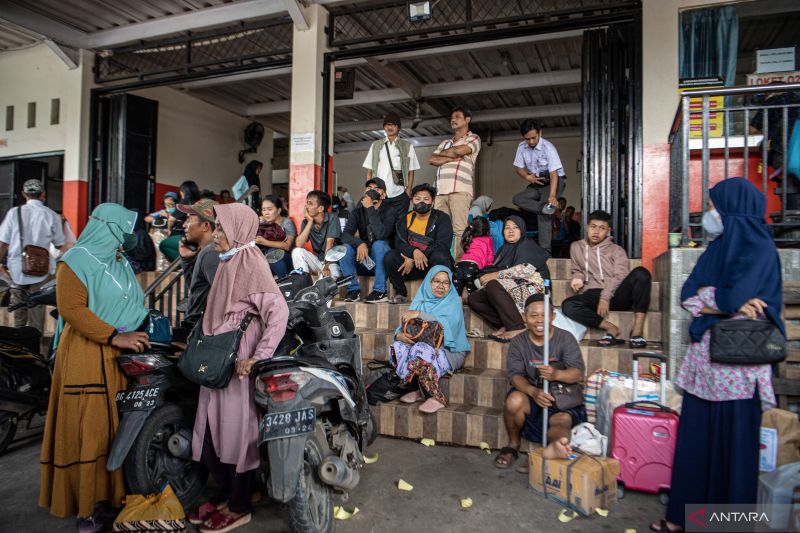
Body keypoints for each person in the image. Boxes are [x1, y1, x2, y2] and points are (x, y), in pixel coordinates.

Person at [650, 178, 783, 533]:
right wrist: (724, 304)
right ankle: (684, 519)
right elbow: (688, 294)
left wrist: (716, 302)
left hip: (740, 370)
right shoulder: (717, 249)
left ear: (732, 210)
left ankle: (728, 526)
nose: (710, 213)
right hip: (704, 366)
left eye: (713, 206)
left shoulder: (760, 249)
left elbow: (726, 297)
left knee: (735, 452)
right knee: (696, 445)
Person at [39, 204, 151, 532]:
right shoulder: (75, 261)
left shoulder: (116, 260)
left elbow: (131, 300)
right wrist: (115, 336)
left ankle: (109, 498)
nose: (127, 238)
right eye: (123, 230)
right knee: (87, 429)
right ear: (109, 227)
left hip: (118, 359)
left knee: (110, 432)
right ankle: (84, 507)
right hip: (86, 357)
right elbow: (71, 309)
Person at [190, 203, 289, 533]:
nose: (216, 234)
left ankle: (240, 504)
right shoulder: (228, 263)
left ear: (237, 231)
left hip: (239, 357)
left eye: (220, 228)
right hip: (220, 358)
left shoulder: (251, 263)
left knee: (236, 430)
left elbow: (279, 313)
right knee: (211, 427)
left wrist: (258, 357)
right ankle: (231, 493)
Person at [494, 294, 586, 469]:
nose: (539, 320)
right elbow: (515, 375)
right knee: (514, 401)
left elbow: (577, 373)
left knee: (561, 422)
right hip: (533, 395)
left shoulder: (565, 338)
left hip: (561, 398)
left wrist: (556, 374)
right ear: (524, 317)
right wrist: (533, 392)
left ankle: (551, 450)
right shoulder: (518, 342)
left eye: (544, 315)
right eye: (533, 315)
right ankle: (513, 446)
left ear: (552, 316)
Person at [561, 210, 652, 348]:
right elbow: (577, 269)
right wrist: (577, 278)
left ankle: (637, 331)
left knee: (642, 273)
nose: (596, 232)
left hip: (618, 294)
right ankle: (611, 328)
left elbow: (621, 275)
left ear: (608, 231)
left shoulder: (617, 250)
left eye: (602, 228)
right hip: (592, 294)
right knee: (568, 305)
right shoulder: (576, 247)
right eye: (593, 227)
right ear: (587, 227)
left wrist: (605, 297)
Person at [391, 266, 470, 414]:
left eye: (446, 283)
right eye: (436, 281)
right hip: (423, 346)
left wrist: (420, 314)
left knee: (422, 349)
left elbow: (447, 327)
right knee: (399, 346)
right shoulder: (421, 300)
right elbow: (403, 326)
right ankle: (416, 388)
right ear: (429, 282)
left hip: (449, 350)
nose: (441, 286)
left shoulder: (453, 301)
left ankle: (435, 396)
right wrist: (399, 336)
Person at [468, 216, 550, 342]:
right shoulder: (503, 249)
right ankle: (507, 323)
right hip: (511, 287)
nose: (511, 231)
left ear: (522, 230)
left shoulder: (527, 245)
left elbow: (525, 270)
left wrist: (495, 275)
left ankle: (517, 327)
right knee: (474, 298)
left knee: (493, 285)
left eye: (515, 227)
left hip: (533, 288)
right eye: (507, 228)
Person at [0, 179, 65, 332]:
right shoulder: (51, 215)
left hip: (17, 267)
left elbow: (3, 242)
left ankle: (19, 339)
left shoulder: (13, 213)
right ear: (43, 194)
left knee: (18, 305)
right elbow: (59, 243)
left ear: (24, 194)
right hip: (41, 267)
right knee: (37, 303)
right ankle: (35, 340)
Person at [385, 183, 453, 304]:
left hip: (431, 264)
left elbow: (443, 244)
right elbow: (399, 243)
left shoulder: (442, 218)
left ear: (432, 202)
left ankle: (435, 295)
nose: (421, 202)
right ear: (412, 201)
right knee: (390, 257)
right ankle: (400, 292)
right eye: (417, 198)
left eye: (426, 199)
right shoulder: (404, 219)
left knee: (441, 255)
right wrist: (413, 253)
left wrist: (419, 255)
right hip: (409, 267)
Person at [429, 107, 481, 258]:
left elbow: (461, 150)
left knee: (459, 230)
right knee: (440, 229)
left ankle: (458, 265)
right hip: (440, 192)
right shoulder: (445, 142)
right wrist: (452, 156)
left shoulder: (474, 138)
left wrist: (445, 156)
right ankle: (442, 262)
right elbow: (432, 159)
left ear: (467, 120)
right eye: (452, 117)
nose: (453, 119)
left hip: (460, 190)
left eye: (457, 116)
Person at [511, 119, 567, 254]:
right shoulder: (521, 147)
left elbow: (554, 174)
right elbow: (518, 168)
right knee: (518, 199)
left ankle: (545, 253)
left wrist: (552, 196)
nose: (530, 142)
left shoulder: (548, 148)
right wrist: (527, 177)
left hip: (554, 180)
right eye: (527, 139)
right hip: (536, 181)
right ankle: (544, 208)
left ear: (540, 133)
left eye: (533, 138)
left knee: (544, 215)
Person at [340, 178, 395, 303]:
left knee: (379, 244)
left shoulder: (390, 212)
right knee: (345, 248)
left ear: (384, 195)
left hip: (382, 262)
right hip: (364, 259)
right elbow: (345, 235)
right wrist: (360, 243)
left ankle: (380, 291)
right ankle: (353, 290)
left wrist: (370, 208)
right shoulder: (357, 212)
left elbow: (381, 234)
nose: (372, 191)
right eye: (369, 188)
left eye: (377, 188)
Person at [174, 198, 220, 341]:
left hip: (199, 331)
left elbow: (222, 296)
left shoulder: (211, 253)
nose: (184, 225)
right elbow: (198, 289)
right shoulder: (206, 252)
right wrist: (187, 260)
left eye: (189, 219)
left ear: (205, 225)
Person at [363, 113, 421, 223]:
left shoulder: (407, 146)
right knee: (381, 223)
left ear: (398, 127)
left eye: (393, 125)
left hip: (399, 194)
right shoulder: (376, 145)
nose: (390, 127)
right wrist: (371, 191)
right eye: (387, 125)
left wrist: (408, 191)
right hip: (380, 194)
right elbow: (369, 170)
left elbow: (411, 171)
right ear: (384, 127)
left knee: (400, 225)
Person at [292, 190, 342, 279]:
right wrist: (310, 222)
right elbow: (299, 244)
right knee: (297, 251)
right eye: (306, 203)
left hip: (332, 262)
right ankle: (301, 281)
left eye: (310, 204)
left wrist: (326, 265)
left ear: (321, 208)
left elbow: (329, 244)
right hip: (318, 262)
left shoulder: (332, 217)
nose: (306, 206)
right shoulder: (306, 222)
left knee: (325, 283)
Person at [255, 195, 296, 278]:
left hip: (287, 259)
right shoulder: (263, 225)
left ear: (278, 210)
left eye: (270, 209)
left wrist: (264, 242)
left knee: (273, 252)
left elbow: (287, 246)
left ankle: (285, 281)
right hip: (268, 261)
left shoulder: (286, 223)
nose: (266, 213)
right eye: (264, 210)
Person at [159, 180, 200, 262]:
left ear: (182, 192)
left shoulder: (184, 202)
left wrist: (169, 230)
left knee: (163, 245)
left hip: (186, 235)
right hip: (199, 236)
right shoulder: (199, 202)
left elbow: (171, 220)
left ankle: (186, 262)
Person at [453, 216, 494, 296]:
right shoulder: (488, 239)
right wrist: (488, 269)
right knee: (472, 295)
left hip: (459, 266)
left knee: (456, 295)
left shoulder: (469, 238)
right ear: (487, 229)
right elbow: (490, 256)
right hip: (472, 267)